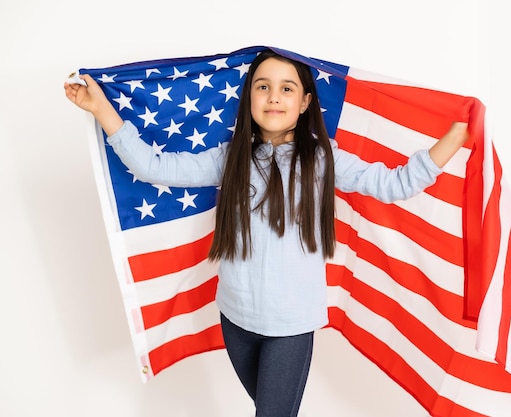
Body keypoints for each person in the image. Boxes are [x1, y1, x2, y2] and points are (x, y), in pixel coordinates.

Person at [64, 49, 469, 417]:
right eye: (263, 87)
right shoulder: (231, 157)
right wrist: (101, 109)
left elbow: (393, 183)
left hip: (290, 328)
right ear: (250, 98)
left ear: (305, 102)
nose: (274, 97)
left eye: (287, 88)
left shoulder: (323, 157)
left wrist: (453, 137)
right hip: (236, 321)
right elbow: (155, 167)